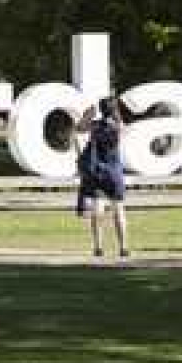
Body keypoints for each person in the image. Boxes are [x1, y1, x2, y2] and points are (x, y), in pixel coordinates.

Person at [75, 97, 129, 259]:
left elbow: (78, 129)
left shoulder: (95, 126)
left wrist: (87, 116)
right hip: (114, 171)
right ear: (114, 109)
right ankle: (123, 247)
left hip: (97, 171)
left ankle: (98, 247)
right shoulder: (118, 126)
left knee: (98, 209)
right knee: (118, 209)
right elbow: (123, 131)